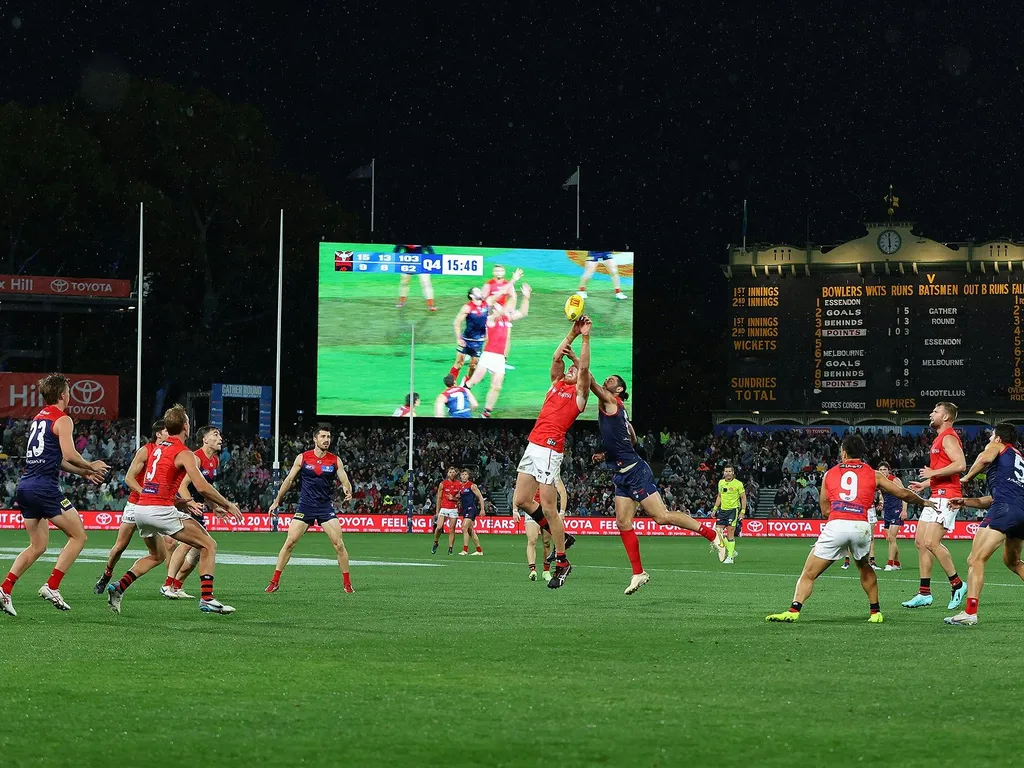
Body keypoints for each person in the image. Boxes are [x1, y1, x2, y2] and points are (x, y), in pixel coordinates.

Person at [766, 434, 936, 624]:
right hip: (861, 526)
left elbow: (824, 510)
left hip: (837, 524)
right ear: (862, 453)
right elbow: (903, 493)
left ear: (844, 452)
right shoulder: (874, 474)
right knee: (864, 565)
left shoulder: (830, 473)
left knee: (809, 573)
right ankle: (875, 612)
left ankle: (793, 610)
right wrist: (924, 501)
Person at [589, 372, 725, 594]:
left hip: (635, 472)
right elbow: (631, 439)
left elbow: (590, 381)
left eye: (612, 380)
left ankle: (712, 535)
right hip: (622, 473)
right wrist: (606, 455)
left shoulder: (611, 401)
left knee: (661, 517)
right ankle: (638, 573)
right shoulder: (617, 409)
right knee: (623, 523)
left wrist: (576, 357)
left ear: (619, 390)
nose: (607, 381)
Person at [108, 405, 240, 615]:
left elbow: (160, 483)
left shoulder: (157, 448)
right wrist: (228, 504)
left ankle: (119, 586)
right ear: (185, 426)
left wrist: (181, 501)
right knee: (209, 545)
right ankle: (207, 599)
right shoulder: (183, 452)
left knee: (156, 556)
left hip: (141, 509)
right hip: (160, 510)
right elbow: (202, 486)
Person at [0, 374, 109, 617]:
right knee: (79, 536)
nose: (70, 395)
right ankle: (52, 585)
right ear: (62, 395)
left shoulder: (39, 418)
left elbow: (56, 458)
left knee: (37, 545)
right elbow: (69, 454)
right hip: (44, 488)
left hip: (26, 486)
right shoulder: (63, 419)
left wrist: (82, 472)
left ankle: (5, 589)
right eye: (68, 391)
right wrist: (90, 465)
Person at [512, 316, 592, 589]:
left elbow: (584, 373)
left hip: (549, 449)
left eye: (574, 369)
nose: (569, 369)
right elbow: (557, 356)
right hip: (533, 445)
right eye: (568, 368)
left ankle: (562, 561)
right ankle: (561, 536)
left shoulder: (579, 396)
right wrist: (571, 333)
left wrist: (585, 339)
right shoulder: (556, 384)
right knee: (522, 499)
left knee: (548, 506)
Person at [945, 423, 1024, 626]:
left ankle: (970, 613)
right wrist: (965, 501)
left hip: (1005, 509)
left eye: (991, 437)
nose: (989, 440)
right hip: (1019, 511)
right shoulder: (1018, 459)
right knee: (1013, 562)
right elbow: (993, 498)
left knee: (975, 560)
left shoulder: (999, 446)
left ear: (998, 438)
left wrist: (966, 478)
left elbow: (984, 458)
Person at [265, 424, 355, 593]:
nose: (326, 440)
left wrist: (347, 489)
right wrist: (277, 500)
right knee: (290, 543)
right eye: (323, 437)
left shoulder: (335, 460)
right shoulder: (303, 458)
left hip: (325, 508)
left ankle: (347, 584)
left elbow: (344, 480)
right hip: (305, 506)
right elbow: (289, 480)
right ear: (315, 439)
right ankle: (274, 581)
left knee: (339, 545)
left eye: (328, 437)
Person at [905, 402, 968, 610]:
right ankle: (924, 593)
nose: (931, 414)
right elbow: (942, 469)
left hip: (948, 496)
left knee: (932, 542)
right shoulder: (939, 438)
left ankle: (957, 584)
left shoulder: (949, 437)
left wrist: (931, 474)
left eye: (936, 411)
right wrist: (924, 484)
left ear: (947, 417)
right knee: (921, 542)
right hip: (935, 494)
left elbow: (960, 465)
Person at [93, 420, 168, 595]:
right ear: (158, 433)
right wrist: (146, 493)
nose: (169, 434)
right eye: (166, 431)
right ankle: (107, 575)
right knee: (120, 547)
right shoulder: (145, 450)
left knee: (160, 553)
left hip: (151, 506)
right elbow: (129, 479)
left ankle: (171, 584)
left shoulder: (166, 453)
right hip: (137, 504)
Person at [161, 425, 222, 599]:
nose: (220, 438)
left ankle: (177, 585)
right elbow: (182, 485)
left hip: (198, 507)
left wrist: (215, 506)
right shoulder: (196, 458)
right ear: (205, 439)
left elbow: (204, 489)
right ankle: (167, 584)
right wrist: (191, 503)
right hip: (185, 505)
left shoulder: (215, 461)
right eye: (215, 435)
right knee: (190, 544)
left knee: (197, 551)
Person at [465, 283, 532, 418]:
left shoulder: (506, 317)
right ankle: (461, 393)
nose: (499, 306)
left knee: (497, 386)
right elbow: (504, 309)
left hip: (499, 358)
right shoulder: (489, 319)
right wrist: (512, 292)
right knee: (474, 381)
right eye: (496, 305)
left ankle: (486, 412)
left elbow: (523, 313)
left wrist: (526, 298)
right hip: (488, 355)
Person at [513, 478, 567, 582]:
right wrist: (515, 510)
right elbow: (518, 491)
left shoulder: (552, 473)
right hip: (532, 511)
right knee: (532, 540)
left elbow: (562, 492)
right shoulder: (531, 473)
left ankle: (546, 571)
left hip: (548, 511)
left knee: (547, 542)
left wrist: (562, 512)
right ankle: (532, 570)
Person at [449, 287, 489, 384]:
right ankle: (450, 385)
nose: (480, 292)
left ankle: (467, 385)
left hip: (479, 341)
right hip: (466, 340)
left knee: (473, 366)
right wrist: (459, 339)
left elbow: (487, 319)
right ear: (471, 296)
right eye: (477, 291)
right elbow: (456, 323)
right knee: (459, 363)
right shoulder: (467, 307)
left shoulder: (486, 304)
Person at [711, 466, 746, 564]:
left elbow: (743, 498)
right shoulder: (721, 482)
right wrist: (714, 509)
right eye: (726, 471)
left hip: (733, 510)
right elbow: (719, 496)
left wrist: (742, 511)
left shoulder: (738, 484)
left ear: (733, 472)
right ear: (724, 472)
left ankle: (730, 557)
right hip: (722, 511)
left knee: (730, 532)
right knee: (717, 533)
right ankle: (732, 550)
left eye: (730, 471)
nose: (728, 473)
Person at [878, 461, 907, 571]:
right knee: (889, 539)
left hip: (896, 510)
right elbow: (881, 495)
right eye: (880, 470)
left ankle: (890, 563)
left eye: (884, 470)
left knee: (891, 538)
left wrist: (904, 510)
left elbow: (905, 494)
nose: (882, 472)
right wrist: (881, 502)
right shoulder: (880, 482)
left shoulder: (894, 480)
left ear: (889, 470)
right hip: (887, 512)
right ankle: (897, 563)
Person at [431, 467, 463, 555]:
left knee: (452, 529)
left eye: (453, 472)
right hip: (444, 508)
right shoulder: (443, 484)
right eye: (450, 472)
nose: (452, 474)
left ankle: (450, 549)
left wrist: (453, 498)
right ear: (447, 474)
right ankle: (435, 542)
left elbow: (461, 499)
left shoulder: (459, 484)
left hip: (453, 509)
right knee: (439, 527)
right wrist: (437, 511)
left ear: (455, 474)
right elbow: (439, 498)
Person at [394, 244, 437, 311]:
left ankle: (431, 305)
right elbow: (397, 249)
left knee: (426, 283)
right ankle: (401, 302)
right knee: (404, 282)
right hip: (406, 262)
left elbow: (430, 250)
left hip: (422, 262)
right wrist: (397, 260)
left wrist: (433, 260)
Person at [457, 469, 486, 556]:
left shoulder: (472, 486)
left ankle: (465, 550)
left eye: (465, 474)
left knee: (464, 527)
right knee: (470, 530)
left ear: (468, 476)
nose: (464, 476)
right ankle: (479, 550)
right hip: (464, 509)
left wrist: (482, 509)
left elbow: (480, 497)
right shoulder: (461, 487)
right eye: (462, 475)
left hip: (471, 509)